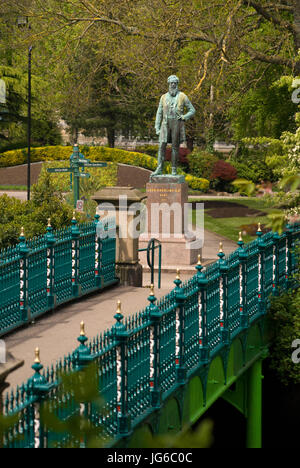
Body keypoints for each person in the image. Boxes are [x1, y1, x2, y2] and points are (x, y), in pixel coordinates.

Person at [152, 75, 195, 177]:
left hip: (176, 124)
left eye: (175, 83)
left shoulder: (182, 96)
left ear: (177, 84)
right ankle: (159, 168)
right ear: (168, 84)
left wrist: (184, 117)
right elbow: (159, 113)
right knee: (161, 146)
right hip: (165, 124)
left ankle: (174, 170)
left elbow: (192, 110)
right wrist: (157, 127)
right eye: (171, 83)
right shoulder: (163, 97)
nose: (173, 85)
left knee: (175, 148)